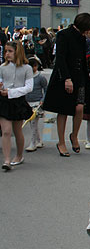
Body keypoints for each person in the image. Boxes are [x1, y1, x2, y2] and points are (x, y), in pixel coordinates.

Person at [42, 13, 90, 157]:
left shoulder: (83, 38)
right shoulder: (63, 35)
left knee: (79, 108)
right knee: (63, 110)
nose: (89, 32)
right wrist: (66, 78)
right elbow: (60, 58)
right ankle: (61, 142)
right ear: (83, 26)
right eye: (88, 29)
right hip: (64, 76)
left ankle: (74, 135)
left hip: (80, 77)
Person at [0, 41, 33, 170]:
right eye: (6, 51)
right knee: (6, 131)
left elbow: (28, 87)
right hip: (4, 101)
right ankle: (7, 160)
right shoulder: (2, 67)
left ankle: (19, 155)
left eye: (10, 51)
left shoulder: (27, 68)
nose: (7, 54)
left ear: (17, 51)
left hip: (18, 101)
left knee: (17, 130)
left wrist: (11, 92)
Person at [25, 57, 47, 152]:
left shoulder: (41, 78)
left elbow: (46, 90)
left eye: (34, 66)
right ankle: (39, 140)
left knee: (33, 123)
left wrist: (43, 100)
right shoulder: (25, 78)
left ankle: (33, 143)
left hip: (37, 103)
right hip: (27, 103)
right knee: (32, 123)